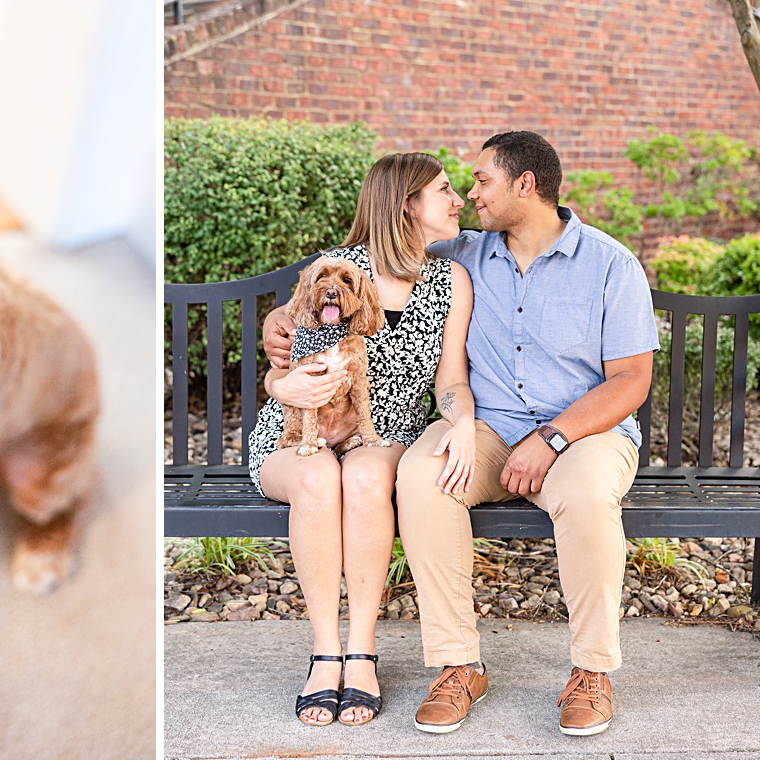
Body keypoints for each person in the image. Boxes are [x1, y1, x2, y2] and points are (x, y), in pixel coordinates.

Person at [394, 131, 657, 737]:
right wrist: (286, 316)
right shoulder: (460, 254)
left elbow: (630, 381)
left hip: (585, 435)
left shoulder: (611, 264)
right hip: (486, 431)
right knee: (422, 473)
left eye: (482, 180)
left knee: (590, 495)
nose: (469, 194)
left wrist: (553, 438)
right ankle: (460, 665)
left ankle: (591, 671)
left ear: (525, 184)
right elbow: (368, 252)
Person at [253, 151, 476, 726]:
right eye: (445, 192)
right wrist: (281, 381)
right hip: (295, 432)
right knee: (316, 476)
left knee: (366, 474)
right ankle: (325, 654)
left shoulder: (449, 280)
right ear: (407, 206)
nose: (459, 201)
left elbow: (450, 379)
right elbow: (282, 349)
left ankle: (362, 653)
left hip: (383, 433)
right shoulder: (337, 270)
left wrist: (462, 422)